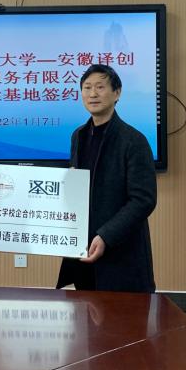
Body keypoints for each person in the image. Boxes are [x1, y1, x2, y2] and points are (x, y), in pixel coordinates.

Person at [56, 64, 157, 292]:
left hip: (120, 253)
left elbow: (143, 200)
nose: (93, 94)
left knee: (121, 314)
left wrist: (106, 236)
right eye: (87, 87)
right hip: (83, 252)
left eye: (100, 87)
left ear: (117, 93)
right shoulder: (78, 136)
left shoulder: (134, 140)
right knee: (84, 311)